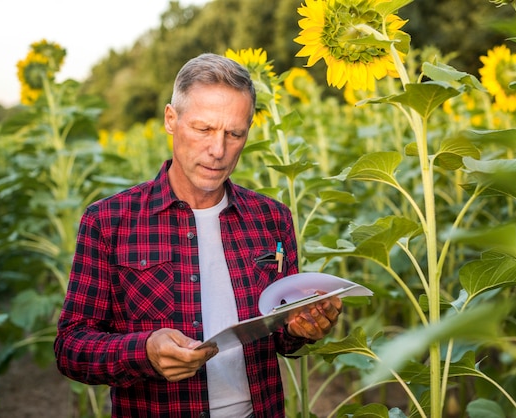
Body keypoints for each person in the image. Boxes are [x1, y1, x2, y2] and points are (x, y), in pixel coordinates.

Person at [54, 53, 342, 417]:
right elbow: (71, 347)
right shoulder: (109, 222)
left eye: (234, 134)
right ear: (171, 120)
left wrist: (305, 325)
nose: (218, 150)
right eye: (203, 129)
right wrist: (143, 351)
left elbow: (283, 334)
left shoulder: (272, 219)